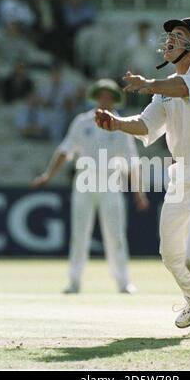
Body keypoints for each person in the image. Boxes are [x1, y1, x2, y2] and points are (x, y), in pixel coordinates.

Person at [95, 18, 190, 337]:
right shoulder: (164, 91)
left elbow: (184, 89)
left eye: (179, 35)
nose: (170, 40)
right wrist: (117, 124)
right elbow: (147, 125)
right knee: (171, 254)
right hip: (181, 179)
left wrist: (148, 83)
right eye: (170, 35)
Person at [33, 79, 149, 294]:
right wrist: (48, 175)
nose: (105, 99)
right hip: (84, 181)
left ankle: (123, 282)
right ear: (96, 97)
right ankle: (74, 281)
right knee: (80, 233)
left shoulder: (122, 124)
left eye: (109, 96)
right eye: (101, 95)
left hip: (111, 182)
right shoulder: (82, 122)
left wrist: (139, 193)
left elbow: (132, 161)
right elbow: (64, 150)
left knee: (115, 234)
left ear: (114, 99)